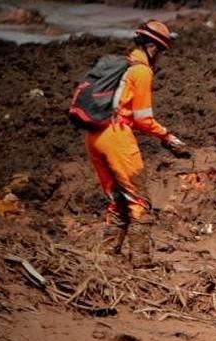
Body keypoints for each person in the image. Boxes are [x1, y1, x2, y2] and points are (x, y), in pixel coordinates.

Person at [85, 20, 186, 268]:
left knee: (116, 198)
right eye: (161, 51)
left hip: (94, 135)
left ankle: (107, 256)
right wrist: (167, 136)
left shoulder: (123, 67)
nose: (160, 56)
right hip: (117, 135)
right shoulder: (141, 71)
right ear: (153, 47)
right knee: (139, 200)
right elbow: (143, 119)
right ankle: (141, 260)